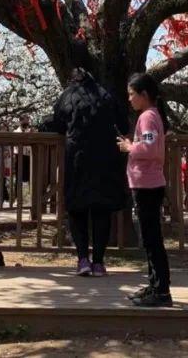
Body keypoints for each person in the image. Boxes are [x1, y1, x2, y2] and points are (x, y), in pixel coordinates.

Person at [41, 51, 128, 277]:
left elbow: (59, 124)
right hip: (105, 159)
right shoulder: (106, 95)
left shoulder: (67, 96)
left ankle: (82, 260)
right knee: (102, 210)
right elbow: (123, 123)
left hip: (77, 158)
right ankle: (98, 262)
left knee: (77, 209)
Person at [118, 73, 172, 307]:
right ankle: (155, 284)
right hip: (148, 182)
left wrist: (130, 146)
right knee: (150, 239)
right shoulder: (151, 116)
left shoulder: (147, 117)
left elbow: (148, 147)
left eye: (132, 94)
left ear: (144, 95)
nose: (129, 99)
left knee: (152, 240)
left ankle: (161, 291)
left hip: (147, 183)